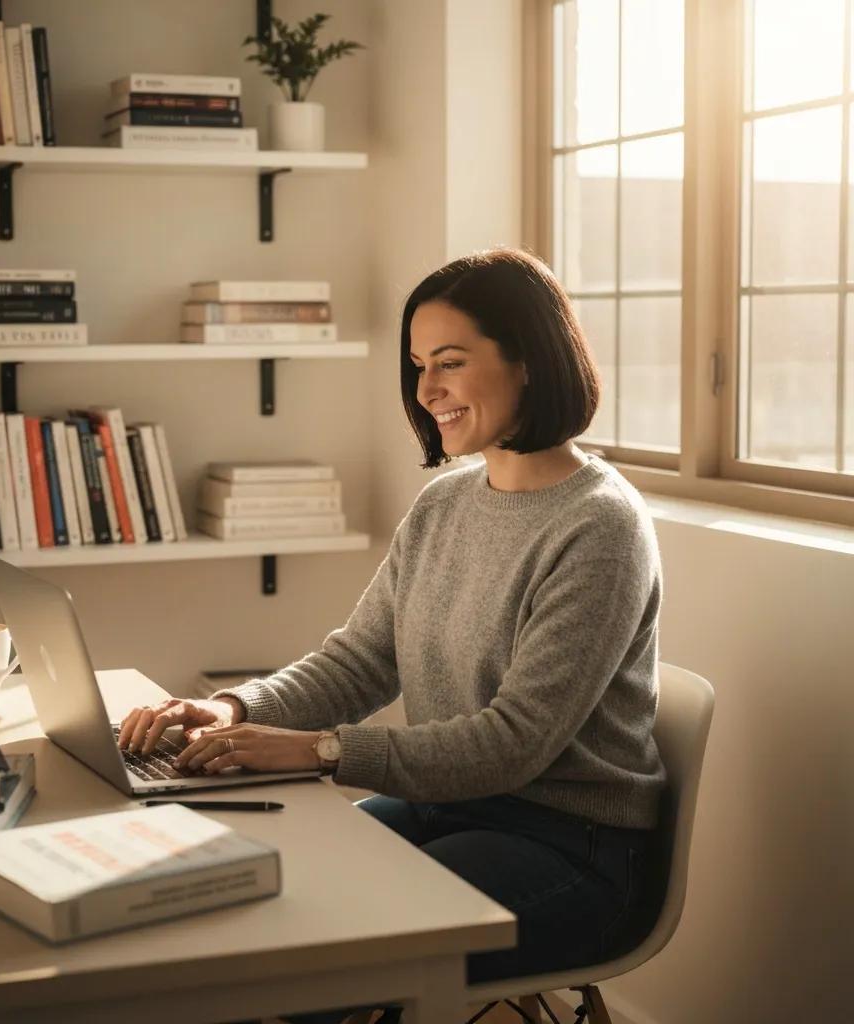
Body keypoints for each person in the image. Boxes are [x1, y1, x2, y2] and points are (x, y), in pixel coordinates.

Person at [119, 248, 667, 1011]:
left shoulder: (599, 527)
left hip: (569, 845)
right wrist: (234, 710)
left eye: (450, 362)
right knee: (245, 911)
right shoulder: (444, 505)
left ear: (530, 363)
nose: (427, 389)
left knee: (319, 965)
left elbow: (513, 743)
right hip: (447, 807)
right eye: (418, 365)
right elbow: (360, 660)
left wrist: (320, 752)